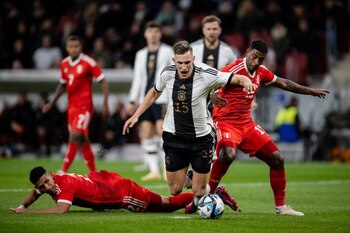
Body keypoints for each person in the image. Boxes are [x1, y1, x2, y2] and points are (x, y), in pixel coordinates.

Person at [123, 40, 257, 213]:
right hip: (174, 136)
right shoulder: (168, 73)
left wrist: (245, 81)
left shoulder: (206, 73)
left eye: (187, 62)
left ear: (193, 59)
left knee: (199, 191)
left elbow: (235, 78)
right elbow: (155, 92)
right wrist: (136, 115)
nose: (184, 67)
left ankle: (211, 192)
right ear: (174, 60)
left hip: (201, 138)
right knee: (175, 189)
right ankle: (207, 187)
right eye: (180, 63)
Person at [208, 40, 330, 216]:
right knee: (228, 155)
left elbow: (285, 83)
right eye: (254, 57)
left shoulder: (261, 72)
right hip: (226, 122)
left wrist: (310, 91)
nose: (256, 62)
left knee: (277, 159)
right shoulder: (233, 69)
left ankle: (281, 207)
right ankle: (209, 195)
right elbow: (211, 83)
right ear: (247, 52)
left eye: (261, 59)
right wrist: (212, 96)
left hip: (246, 125)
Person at [42, 35, 109, 173]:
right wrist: (52, 103)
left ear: (81, 47)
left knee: (75, 136)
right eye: (71, 47)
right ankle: (94, 172)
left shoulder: (88, 62)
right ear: (66, 48)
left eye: (76, 46)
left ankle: (63, 170)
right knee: (82, 139)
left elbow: (103, 81)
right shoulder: (64, 64)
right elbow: (62, 85)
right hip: (71, 107)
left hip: (84, 107)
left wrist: (105, 103)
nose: (73, 49)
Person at [10, 166, 194, 214]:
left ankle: (202, 194)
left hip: (121, 193)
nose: (46, 188)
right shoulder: (51, 182)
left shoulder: (63, 184)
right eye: (42, 186)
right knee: (161, 204)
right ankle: (195, 196)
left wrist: (27, 213)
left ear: (50, 174)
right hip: (103, 182)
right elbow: (35, 193)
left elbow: (61, 210)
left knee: (165, 204)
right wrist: (22, 205)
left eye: (47, 182)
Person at [127, 21, 173, 181]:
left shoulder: (168, 51)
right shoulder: (140, 54)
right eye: (150, 32)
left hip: (162, 98)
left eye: (156, 31)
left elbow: (173, 74)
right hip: (144, 100)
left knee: (162, 130)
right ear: (145, 34)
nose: (153, 34)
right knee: (147, 132)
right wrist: (132, 100)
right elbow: (137, 78)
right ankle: (154, 171)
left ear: (160, 34)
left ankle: (168, 169)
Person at [191, 15, 238, 113]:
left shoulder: (228, 51)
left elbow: (237, 74)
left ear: (220, 30)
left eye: (214, 29)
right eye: (208, 29)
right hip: (196, 96)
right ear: (203, 30)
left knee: (218, 127)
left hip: (219, 97)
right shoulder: (193, 48)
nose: (211, 32)